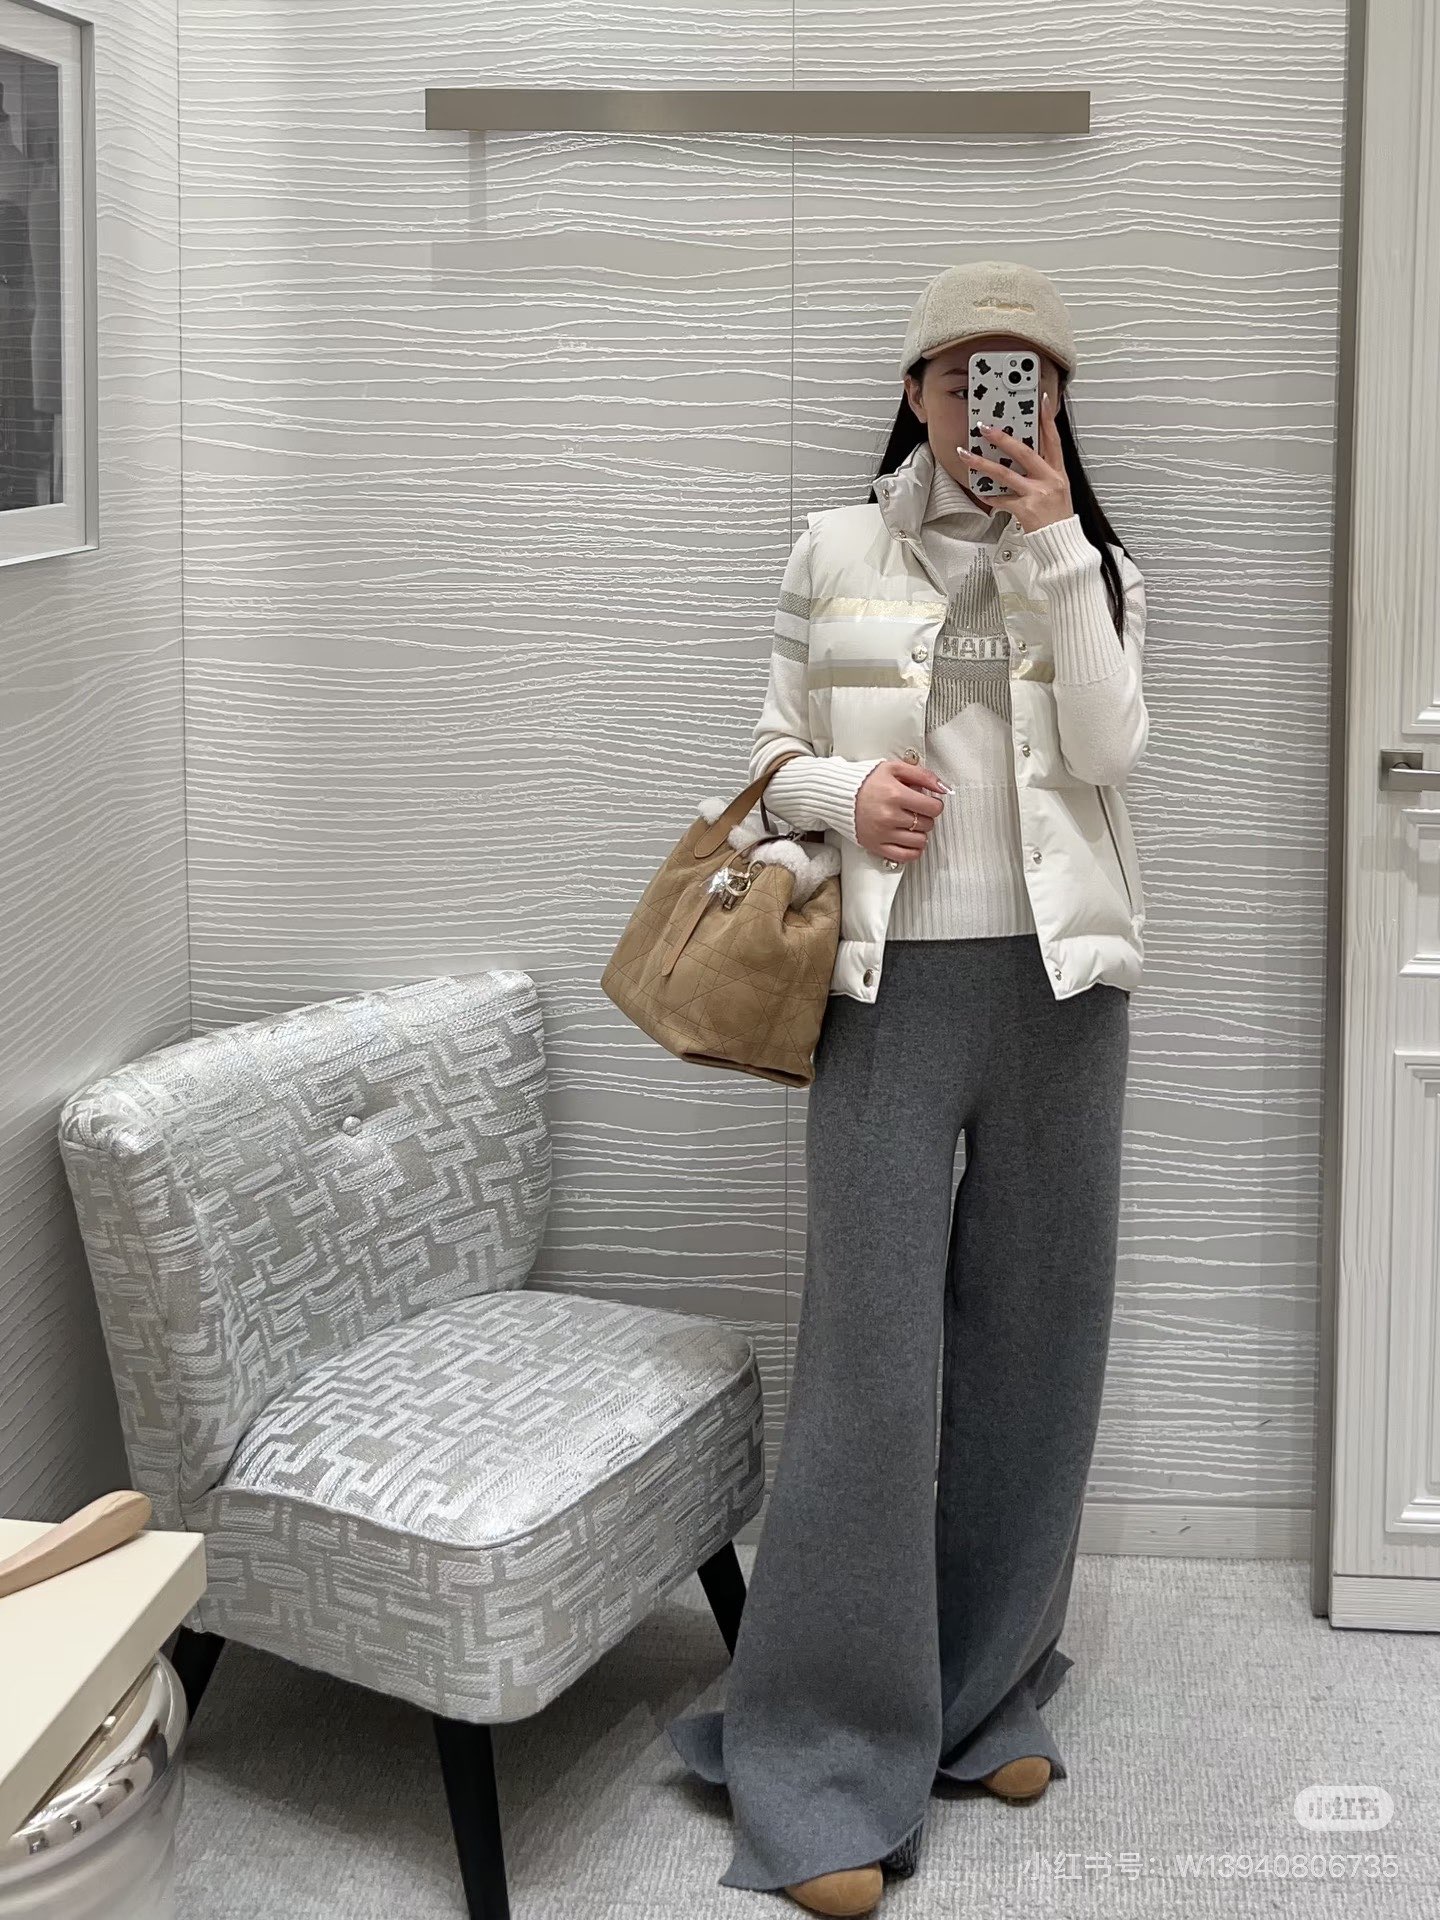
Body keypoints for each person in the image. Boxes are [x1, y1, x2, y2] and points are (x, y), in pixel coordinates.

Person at [666, 259, 1149, 1917]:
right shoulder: (835, 548)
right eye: (964, 378)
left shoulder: (1093, 566)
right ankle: (821, 1756)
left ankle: (976, 1696)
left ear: (1057, 405)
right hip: (886, 994)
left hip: (1063, 996)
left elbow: (1112, 752)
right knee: (874, 1373)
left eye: (1027, 382)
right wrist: (843, 792)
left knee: (1035, 1355)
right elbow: (761, 757)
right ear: (916, 390)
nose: (990, 408)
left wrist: (1056, 546)